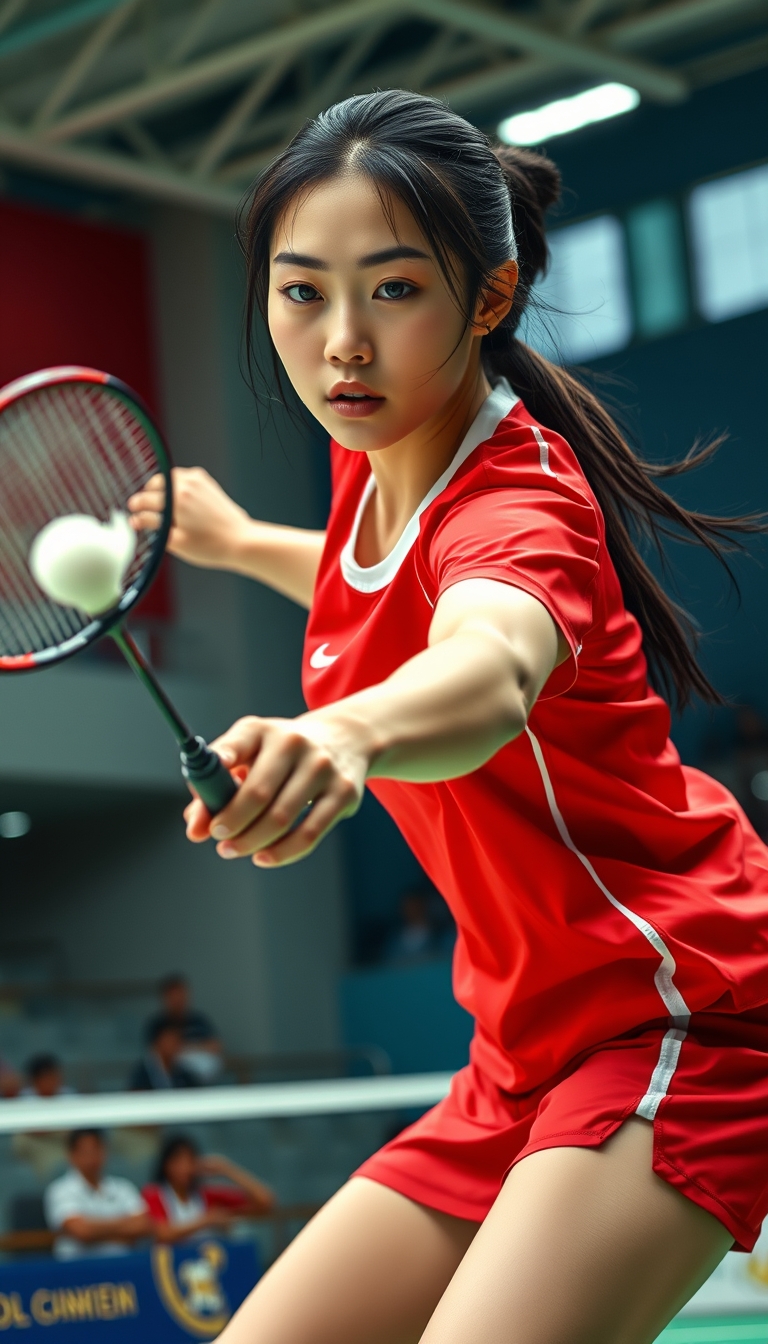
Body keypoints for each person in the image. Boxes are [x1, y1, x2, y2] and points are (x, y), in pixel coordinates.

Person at [128, 90, 768, 1344]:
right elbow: (390, 584)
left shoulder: (520, 505)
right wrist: (242, 539)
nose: (342, 346)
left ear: (488, 297)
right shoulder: (379, 451)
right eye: (302, 292)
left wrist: (346, 734)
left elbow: (487, 661)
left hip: (677, 1016)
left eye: (394, 290)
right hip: (517, 1055)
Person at [142, 1134, 275, 1243]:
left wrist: (226, 1168)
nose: (184, 1168)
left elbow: (265, 1201)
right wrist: (206, 1221)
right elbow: (163, 1233)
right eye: (178, 1162)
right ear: (166, 1165)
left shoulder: (207, 1195)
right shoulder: (154, 1194)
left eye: (189, 1161)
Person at [44, 1129, 153, 1259]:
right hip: (77, 1270)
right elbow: (81, 1231)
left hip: (122, 1267)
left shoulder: (123, 1187)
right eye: (85, 1152)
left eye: (96, 1150)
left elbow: (143, 1224)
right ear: (71, 1155)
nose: (92, 1158)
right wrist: (124, 1227)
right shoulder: (59, 1190)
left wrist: (95, 1230)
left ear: (105, 1152)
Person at [145, 973, 222, 1083]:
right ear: (165, 998)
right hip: (168, 1082)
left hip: (200, 1082)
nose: (178, 1001)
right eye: (173, 997)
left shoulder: (198, 1021)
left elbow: (216, 1046)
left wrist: (185, 1049)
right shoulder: (157, 1024)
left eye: (181, 995)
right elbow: (154, 1057)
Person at [12, 1054, 76, 1179]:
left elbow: (75, 1132)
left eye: (54, 1075)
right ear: (35, 1080)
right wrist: (56, 1128)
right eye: (46, 1077)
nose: (52, 1081)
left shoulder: (70, 1098)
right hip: (37, 1145)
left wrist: (47, 1128)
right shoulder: (23, 1100)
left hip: (64, 1144)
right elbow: (27, 1130)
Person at [128, 1016, 200, 1091]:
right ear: (157, 1042)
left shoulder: (183, 1073)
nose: (175, 1045)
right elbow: (135, 1098)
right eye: (170, 1040)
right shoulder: (142, 1072)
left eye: (177, 1041)